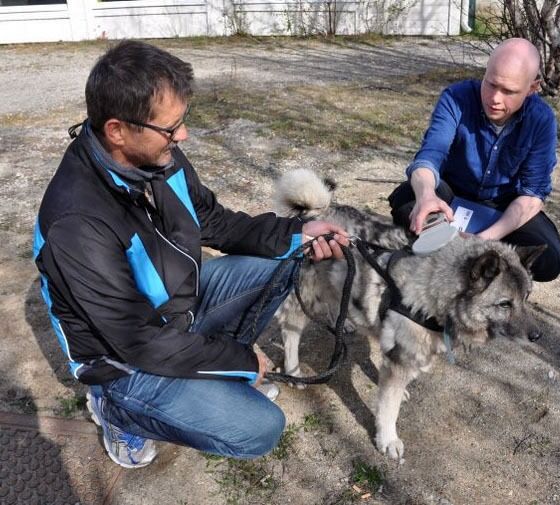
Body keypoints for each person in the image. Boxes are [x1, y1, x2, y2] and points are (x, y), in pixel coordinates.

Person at [33, 40, 349, 469]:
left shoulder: (158, 158)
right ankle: (116, 411)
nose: (182, 136)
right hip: (124, 360)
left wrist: (298, 232)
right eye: (171, 128)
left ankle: (210, 370)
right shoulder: (77, 223)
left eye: (183, 121)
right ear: (117, 130)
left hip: (177, 312)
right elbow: (138, 343)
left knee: (287, 257)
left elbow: (215, 222)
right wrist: (240, 361)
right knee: (260, 429)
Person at [388, 38, 560, 282]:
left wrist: (483, 239)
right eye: (491, 84)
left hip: (503, 205)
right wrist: (426, 195)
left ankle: (475, 260)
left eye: (509, 92)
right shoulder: (456, 98)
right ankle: (455, 251)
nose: (495, 98)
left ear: (532, 88)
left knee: (549, 260)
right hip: (452, 195)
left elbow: (532, 195)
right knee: (407, 200)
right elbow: (429, 157)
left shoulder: (541, 120)